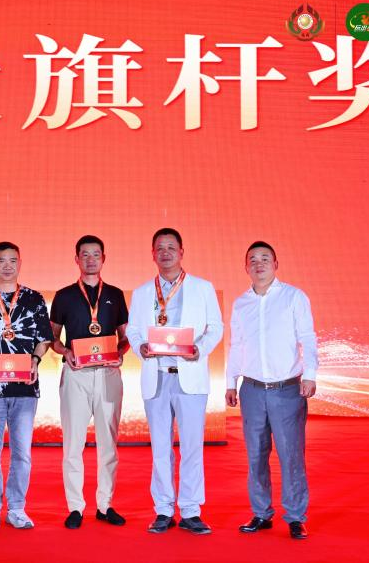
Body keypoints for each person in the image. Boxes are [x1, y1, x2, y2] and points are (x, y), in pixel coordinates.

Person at [125, 228, 223, 535]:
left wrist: (200, 349)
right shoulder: (143, 292)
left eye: (171, 247)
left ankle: (191, 510)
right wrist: (140, 346)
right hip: (156, 377)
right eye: (160, 248)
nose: (165, 253)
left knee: (192, 447)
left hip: (189, 377)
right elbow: (133, 330)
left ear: (182, 252)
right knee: (160, 448)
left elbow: (216, 327)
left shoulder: (202, 288)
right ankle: (164, 509)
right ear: (152, 254)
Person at [225, 241, 318, 540]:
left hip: (287, 390)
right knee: (256, 455)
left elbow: (307, 337)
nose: (259, 264)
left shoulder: (293, 297)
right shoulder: (241, 303)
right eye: (252, 259)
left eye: (265, 258)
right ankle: (261, 513)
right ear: (246, 267)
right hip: (251, 390)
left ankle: (295, 516)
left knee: (291, 455)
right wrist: (231, 381)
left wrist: (310, 374)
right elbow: (236, 344)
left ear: (276, 264)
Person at [0, 242, 53, 530]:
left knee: (22, 453)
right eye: (1, 260)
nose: (7, 265)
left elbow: (44, 338)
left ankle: (17, 508)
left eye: (12, 260)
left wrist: (35, 361)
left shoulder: (34, 299)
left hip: (25, 388)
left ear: (20, 263)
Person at [50, 235, 130, 529]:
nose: (91, 259)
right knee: (73, 443)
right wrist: (65, 352)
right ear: (77, 259)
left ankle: (105, 505)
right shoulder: (64, 296)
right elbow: (52, 337)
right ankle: (75, 507)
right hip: (77, 375)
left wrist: (120, 354)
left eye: (96, 254)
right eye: (85, 254)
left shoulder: (116, 295)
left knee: (108, 443)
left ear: (103, 258)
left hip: (108, 374)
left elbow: (125, 338)